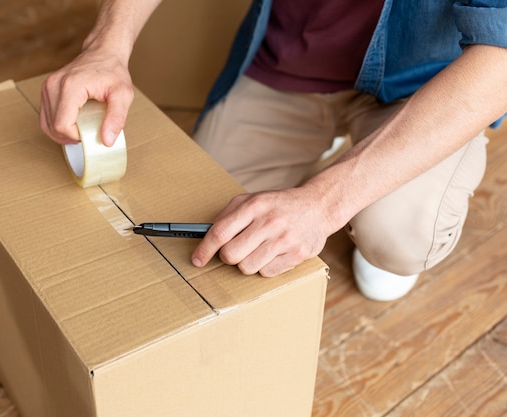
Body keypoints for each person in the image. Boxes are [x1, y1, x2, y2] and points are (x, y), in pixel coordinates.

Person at [40, 0, 507, 301]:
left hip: (424, 86)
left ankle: (371, 211)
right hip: (287, 63)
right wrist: (106, 47)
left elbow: (501, 54)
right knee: (204, 214)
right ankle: (347, 164)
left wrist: (327, 202)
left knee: (398, 237)